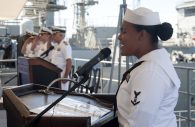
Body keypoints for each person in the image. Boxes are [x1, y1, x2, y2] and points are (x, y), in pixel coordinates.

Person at [116, 7, 181, 127]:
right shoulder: (151, 65)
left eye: (124, 32)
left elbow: (139, 124)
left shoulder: (150, 72)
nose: (119, 37)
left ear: (141, 35)